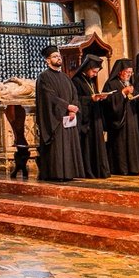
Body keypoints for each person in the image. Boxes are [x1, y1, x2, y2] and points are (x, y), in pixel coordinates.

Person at [34, 45, 84, 182]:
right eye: (55, 56)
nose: (58, 58)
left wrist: (73, 108)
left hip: (68, 116)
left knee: (69, 145)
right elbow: (49, 97)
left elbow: (74, 93)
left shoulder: (66, 77)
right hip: (55, 118)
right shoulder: (44, 77)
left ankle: (70, 172)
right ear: (47, 60)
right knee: (59, 146)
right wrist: (67, 106)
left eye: (59, 56)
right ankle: (56, 173)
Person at [71, 55, 110, 179]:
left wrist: (99, 97)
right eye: (93, 71)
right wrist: (91, 99)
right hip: (86, 120)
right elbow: (76, 100)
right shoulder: (76, 80)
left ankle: (99, 171)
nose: (95, 74)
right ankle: (89, 171)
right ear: (87, 68)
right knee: (88, 146)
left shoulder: (90, 80)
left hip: (95, 117)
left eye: (96, 72)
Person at [102, 59, 139, 176]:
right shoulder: (111, 84)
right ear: (120, 72)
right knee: (121, 145)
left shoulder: (130, 84)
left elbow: (133, 100)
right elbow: (108, 101)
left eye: (131, 72)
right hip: (119, 121)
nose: (130, 74)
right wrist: (122, 93)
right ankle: (121, 168)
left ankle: (133, 168)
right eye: (127, 72)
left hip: (131, 120)